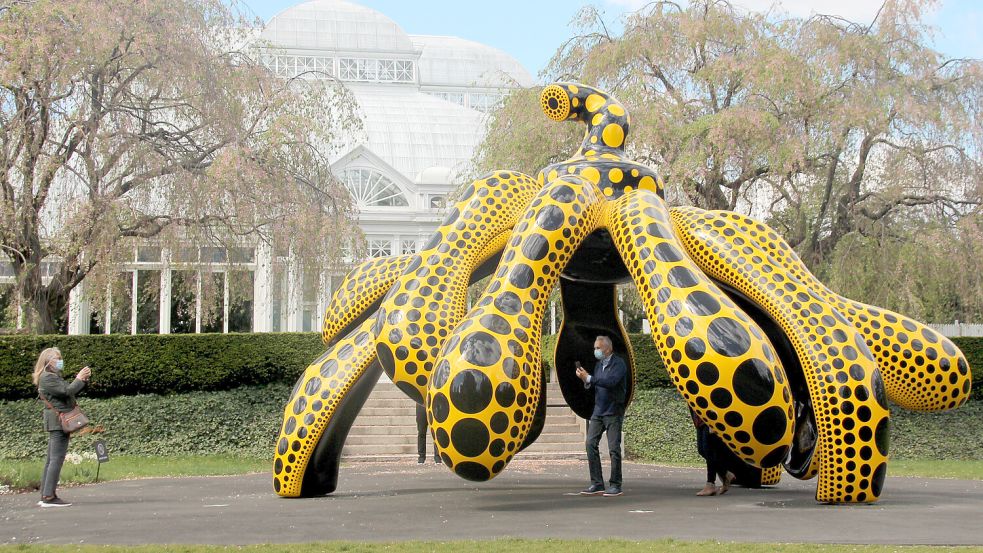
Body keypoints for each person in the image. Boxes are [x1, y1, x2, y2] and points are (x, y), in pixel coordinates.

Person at [33, 347, 91, 507]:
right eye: (57, 358)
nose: (60, 361)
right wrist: (79, 378)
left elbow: (68, 391)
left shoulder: (51, 376)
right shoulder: (48, 378)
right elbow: (67, 391)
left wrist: (82, 380)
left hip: (57, 422)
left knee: (52, 459)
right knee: (56, 459)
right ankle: (48, 496)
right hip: (59, 422)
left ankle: (46, 494)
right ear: (48, 361)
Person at [575, 335, 628, 497]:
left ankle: (615, 484)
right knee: (590, 444)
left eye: (598, 348)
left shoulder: (618, 364)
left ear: (608, 348)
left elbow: (611, 382)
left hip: (613, 411)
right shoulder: (598, 365)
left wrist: (590, 378)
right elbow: (597, 383)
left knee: (613, 449)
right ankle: (597, 483)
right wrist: (586, 380)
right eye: (594, 348)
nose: (596, 351)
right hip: (598, 411)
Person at [691, 408, 735, 496]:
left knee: (709, 451)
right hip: (699, 419)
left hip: (709, 417)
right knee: (702, 450)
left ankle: (710, 484)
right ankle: (725, 474)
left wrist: (713, 420)